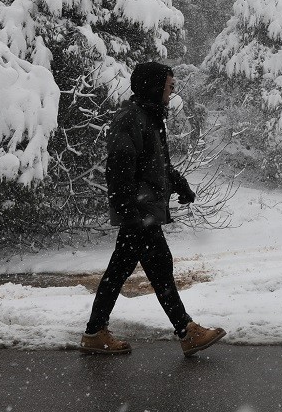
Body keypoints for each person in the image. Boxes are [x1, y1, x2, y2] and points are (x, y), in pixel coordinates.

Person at [80, 61, 226, 356]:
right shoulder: (130, 119)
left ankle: (96, 333)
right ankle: (186, 331)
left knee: (127, 271)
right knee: (158, 268)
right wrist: (130, 213)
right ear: (154, 86)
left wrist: (180, 184)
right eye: (169, 86)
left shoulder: (149, 117)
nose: (172, 92)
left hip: (143, 212)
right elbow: (118, 170)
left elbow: (158, 166)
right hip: (138, 213)